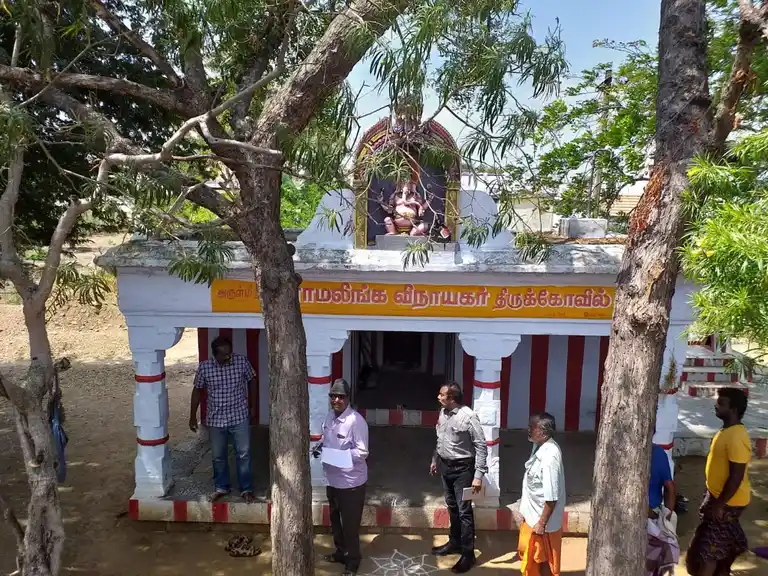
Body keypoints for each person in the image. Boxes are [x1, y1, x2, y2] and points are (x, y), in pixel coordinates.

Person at [686, 387, 752, 576]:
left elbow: (736, 475)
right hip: (718, 497)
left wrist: (720, 504)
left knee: (709, 553)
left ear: (734, 409)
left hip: (727, 502)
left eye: (721, 403)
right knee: (713, 547)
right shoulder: (728, 431)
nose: (716, 405)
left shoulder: (737, 436)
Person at [189, 336, 257, 503]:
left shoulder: (241, 362)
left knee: (244, 454)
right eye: (224, 354)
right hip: (216, 419)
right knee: (218, 456)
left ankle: (246, 489)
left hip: (239, 416)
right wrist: (192, 416)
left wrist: (253, 406)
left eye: (229, 353)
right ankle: (221, 487)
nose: (228, 357)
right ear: (215, 354)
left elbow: (252, 380)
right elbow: (197, 390)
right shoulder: (205, 368)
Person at [429, 382, 487, 574]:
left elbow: (481, 446)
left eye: (442, 394)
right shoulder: (443, 413)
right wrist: (435, 459)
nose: (438, 397)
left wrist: (478, 476)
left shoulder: (468, 416)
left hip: (463, 469)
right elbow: (440, 438)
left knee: (464, 512)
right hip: (446, 466)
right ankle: (454, 542)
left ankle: (468, 554)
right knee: (452, 506)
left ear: (452, 398)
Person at [316, 379, 369, 576]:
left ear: (348, 398)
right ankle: (340, 552)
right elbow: (325, 439)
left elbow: (362, 452)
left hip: (351, 483)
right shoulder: (329, 417)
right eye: (333, 396)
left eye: (341, 397)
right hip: (332, 481)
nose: (336, 400)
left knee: (350, 525)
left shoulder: (356, 421)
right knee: (335, 521)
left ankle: (352, 561)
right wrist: (319, 448)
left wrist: (338, 457)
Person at [518, 412, 566, 576]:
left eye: (532, 427)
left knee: (542, 561)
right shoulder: (539, 446)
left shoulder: (549, 457)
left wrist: (541, 524)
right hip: (533, 518)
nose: (528, 430)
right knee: (532, 559)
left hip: (542, 524)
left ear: (543, 432)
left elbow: (551, 498)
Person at [647, 442, 679, 576]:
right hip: (653, 514)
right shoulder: (659, 452)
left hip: (645, 516)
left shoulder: (621, 451)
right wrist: (666, 517)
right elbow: (670, 488)